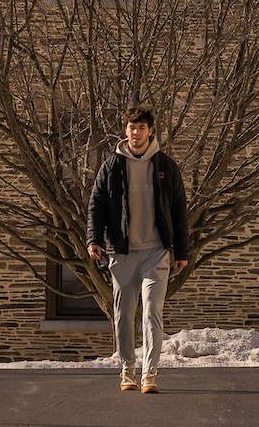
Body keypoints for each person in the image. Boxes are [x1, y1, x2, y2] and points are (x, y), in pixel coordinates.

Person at [85, 107, 189, 394]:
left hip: (156, 252)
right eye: (132, 127)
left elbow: (179, 209)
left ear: (150, 131)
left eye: (141, 127)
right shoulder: (111, 166)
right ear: (126, 131)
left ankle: (150, 374)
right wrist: (93, 239)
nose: (136, 132)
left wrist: (181, 251)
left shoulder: (166, 166)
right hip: (122, 252)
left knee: (152, 311)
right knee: (123, 313)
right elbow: (97, 205)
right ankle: (127, 368)